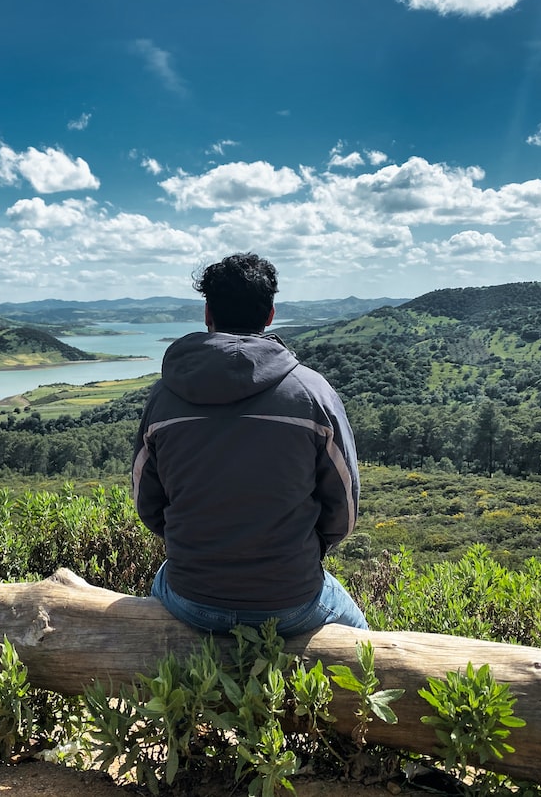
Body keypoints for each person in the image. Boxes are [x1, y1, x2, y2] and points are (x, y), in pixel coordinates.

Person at [131, 252, 368, 637]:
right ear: (270, 313)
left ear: (207, 313)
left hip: (192, 599)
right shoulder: (312, 394)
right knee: (366, 642)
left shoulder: (164, 398)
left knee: (161, 579)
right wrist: (300, 550)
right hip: (292, 600)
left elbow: (148, 504)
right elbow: (344, 509)